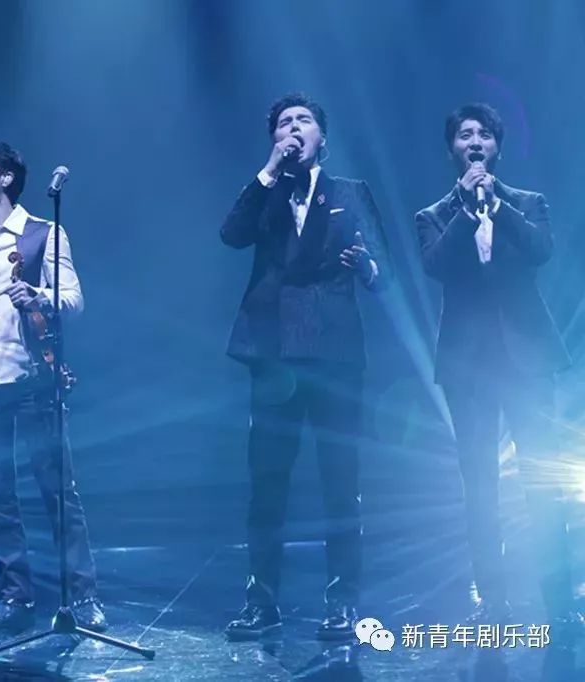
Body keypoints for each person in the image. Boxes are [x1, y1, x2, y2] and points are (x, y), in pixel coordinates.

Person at [220, 94, 391, 640]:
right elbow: (231, 234)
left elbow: (383, 272)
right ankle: (261, 602)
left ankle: (342, 603)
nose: (292, 129)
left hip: (334, 351)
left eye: (303, 121)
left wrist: (366, 267)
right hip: (272, 353)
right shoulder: (266, 190)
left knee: (340, 479)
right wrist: (269, 171)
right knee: (268, 481)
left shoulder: (350, 193)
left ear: (323, 137)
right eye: (283, 124)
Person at [415, 103, 580, 633]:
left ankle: (559, 599)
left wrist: (497, 206)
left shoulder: (527, 204)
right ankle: (493, 599)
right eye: (465, 134)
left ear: (497, 149)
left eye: (484, 134)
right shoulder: (433, 215)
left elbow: (541, 251)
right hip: (467, 365)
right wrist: (467, 212)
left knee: (541, 481)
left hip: (527, 361)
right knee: (479, 486)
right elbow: (436, 265)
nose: (475, 141)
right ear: (452, 151)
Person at [0, 141, 105, 633]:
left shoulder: (44, 234)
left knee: (58, 492)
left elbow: (74, 299)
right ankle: (16, 597)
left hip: (32, 380)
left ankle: (82, 596)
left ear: (6, 177)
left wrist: (39, 295)